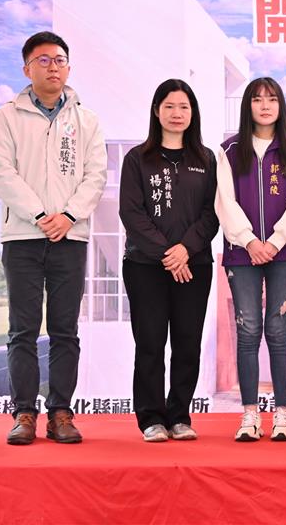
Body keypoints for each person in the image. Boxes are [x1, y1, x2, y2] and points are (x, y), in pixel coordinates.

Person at [0, 31, 107, 445]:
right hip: (22, 236)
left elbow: (96, 176)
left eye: (59, 60)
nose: (52, 67)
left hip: (69, 238)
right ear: (27, 69)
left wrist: (68, 216)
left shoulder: (86, 120)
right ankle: (24, 413)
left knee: (64, 330)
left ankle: (60, 414)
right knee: (22, 330)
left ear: (68, 67)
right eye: (43, 60)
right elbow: (2, 174)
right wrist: (40, 215)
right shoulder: (7, 116)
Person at [119, 79, 218, 443]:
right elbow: (131, 213)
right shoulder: (137, 158)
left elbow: (212, 213)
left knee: (187, 343)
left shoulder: (206, 159)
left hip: (194, 266)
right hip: (145, 266)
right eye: (170, 106)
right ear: (156, 111)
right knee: (150, 342)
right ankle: (151, 418)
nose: (177, 114)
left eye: (184, 107)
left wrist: (185, 250)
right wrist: (167, 253)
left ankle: (179, 416)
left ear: (193, 113)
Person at [215, 77, 286, 442]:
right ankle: (250, 415)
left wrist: (276, 241)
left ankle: (284, 415)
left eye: (272, 99)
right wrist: (250, 241)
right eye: (257, 99)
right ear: (248, 106)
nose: (265, 105)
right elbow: (224, 201)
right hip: (242, 253)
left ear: (281, 105)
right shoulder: (229, 150)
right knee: (248, 329)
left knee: (278, 330)